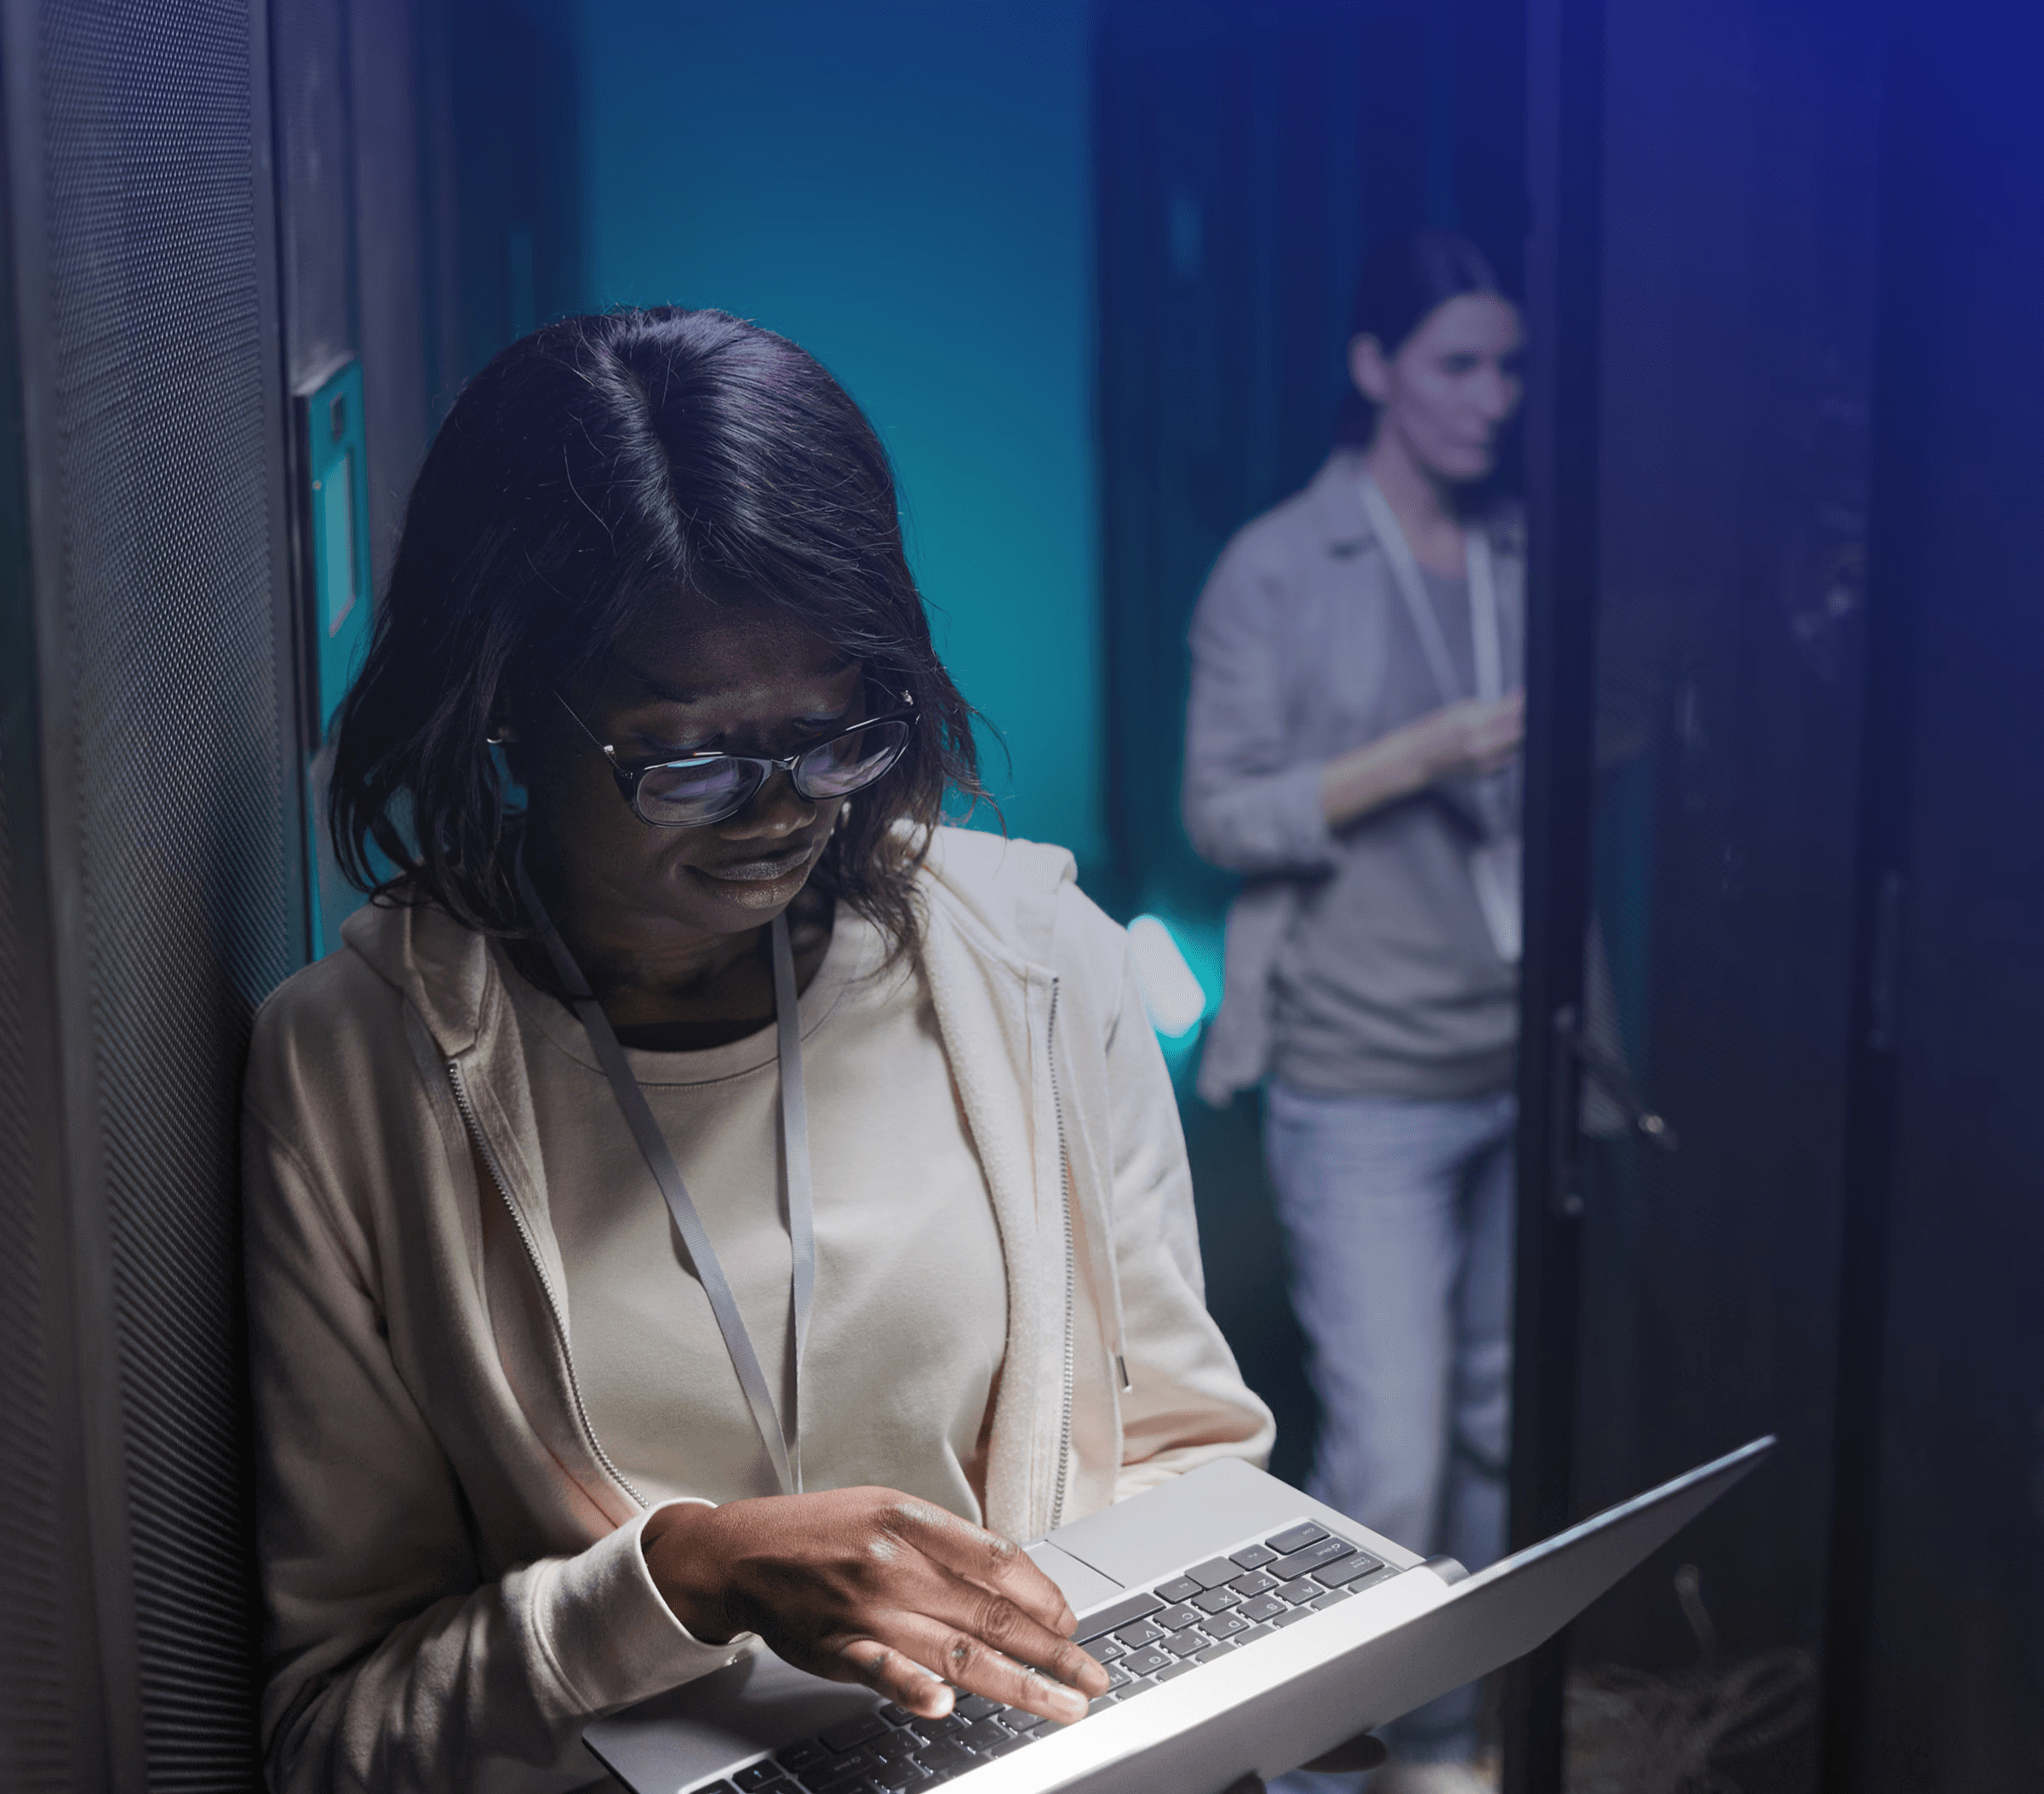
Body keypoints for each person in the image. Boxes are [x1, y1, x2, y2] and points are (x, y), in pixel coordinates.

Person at [242, 308, 1307, 1792]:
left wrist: (1254, 1672)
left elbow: (1187, 1452)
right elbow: (333, 1732)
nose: (783, 810)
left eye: (837, 732)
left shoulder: (1039, 965)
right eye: (687, 761)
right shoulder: (348, 1074)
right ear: (500, 718)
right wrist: (676, 1581)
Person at [1182, 232, 1527, 1792]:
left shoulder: (1530, 553)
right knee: (1381, 1448)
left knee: (1498, 1430)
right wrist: (1424, 753)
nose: (1494, 398)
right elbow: (1220, 816)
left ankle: (1441, 1737)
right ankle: (1322, 1760)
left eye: (1512, 368)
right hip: (1359, 1069)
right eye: (1458, 363)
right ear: (1375, 368)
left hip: (1525, 1058)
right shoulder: (1276, 563)